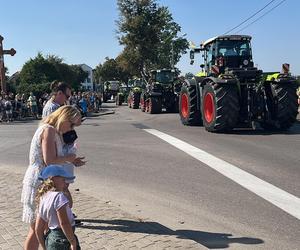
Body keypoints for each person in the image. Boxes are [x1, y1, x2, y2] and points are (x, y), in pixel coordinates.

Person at [21, 105, 85, 250]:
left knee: (41, 227)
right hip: (41, 179)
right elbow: (49, 159)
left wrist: (71, 159)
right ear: (63, 118)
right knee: (36, 228)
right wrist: (70, 157)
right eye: (71, 124)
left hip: (46, 179)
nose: (71, 128)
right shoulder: (49, 130)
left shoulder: (52, 130)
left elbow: (55, 157)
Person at [35, 165, 81, 250]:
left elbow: (38, 228)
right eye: (63, 179)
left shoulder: (43, 197)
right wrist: (73, 242)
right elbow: (64, 223)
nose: (66, 182)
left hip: (51, 240)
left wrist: (44, 246)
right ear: (52, 179)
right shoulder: (59, 197)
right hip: (63, 239)